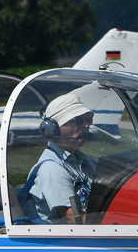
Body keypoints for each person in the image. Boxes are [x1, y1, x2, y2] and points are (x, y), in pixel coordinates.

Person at [19, 93, 97, 223]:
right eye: (78, 120)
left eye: (88, 120)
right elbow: (73, 220)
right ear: (53, 128)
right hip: (67, 241)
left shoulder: (87, 162)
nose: (86, 126)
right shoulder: (51, 168)